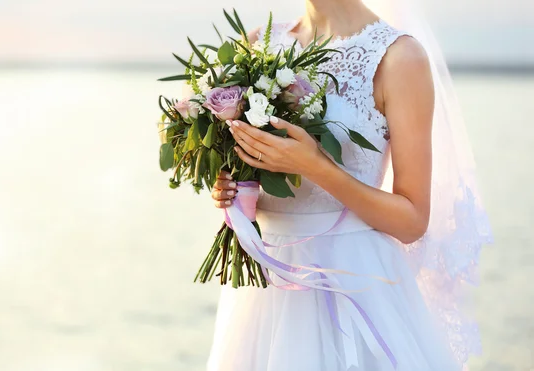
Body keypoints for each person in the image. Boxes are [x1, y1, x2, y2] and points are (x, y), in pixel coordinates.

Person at [206, 0, 492, 370]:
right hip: (265, 282)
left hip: (354, 282)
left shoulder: (398, 57)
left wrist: (316, 167)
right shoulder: (257, 43)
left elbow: (412, 219)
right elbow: (250, 170)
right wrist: (231, 189)